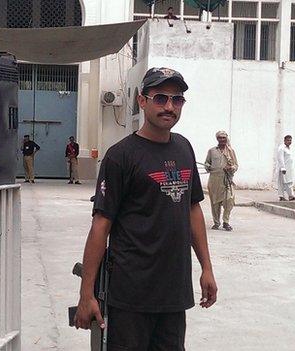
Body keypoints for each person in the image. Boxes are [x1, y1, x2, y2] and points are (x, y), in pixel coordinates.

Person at [74, 67, 217, 350]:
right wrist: (86, 294)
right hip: (130, 294)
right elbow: (101, 226)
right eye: (160, 98)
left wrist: (207, 268)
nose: (169, 107)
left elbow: (193, 210)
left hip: (174, 293)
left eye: (177, 100)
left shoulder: (184, 148)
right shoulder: (121, 156)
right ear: (142, 101)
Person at [204, 131, 238, 231]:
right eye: (220, 138)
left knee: (229, 200)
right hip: (214, 180)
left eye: (224, 137)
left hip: (227, 180)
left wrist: (231, 168)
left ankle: (226, 222)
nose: (222, 139)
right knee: (215, 203)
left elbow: (236, 165)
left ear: (226, 138)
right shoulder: (212, 151)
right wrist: (208, 166)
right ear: (217, 139)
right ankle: (216, 222)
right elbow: (207, 162)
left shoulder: (231, 151)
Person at [276, 135, 295, 201]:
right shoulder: (281, 148)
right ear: (284, 140)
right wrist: (283, 168)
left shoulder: (288, 148)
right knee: (287, 182)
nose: (289, 141)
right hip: (284, 168)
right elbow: (280, 158)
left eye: (290, 140)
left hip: (288, 168)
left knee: (285, 182)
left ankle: (282, 196)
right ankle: (290, 196)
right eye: (288, 140)